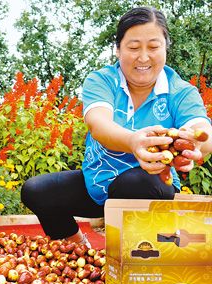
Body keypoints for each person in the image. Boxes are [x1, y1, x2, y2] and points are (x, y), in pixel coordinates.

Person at [21, 7, 212, 247]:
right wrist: (133, 142)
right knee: (36, 190)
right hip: (99, 184)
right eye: (133, 48)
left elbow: (201, 128)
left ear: (166, 48)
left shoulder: (180, 91)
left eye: (153, 47)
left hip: (150, 187)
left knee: (134, 183)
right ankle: (76, 244)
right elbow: (99, 124)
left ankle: (135, 254)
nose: (143, 57)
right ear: (118, 49)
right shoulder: (102, 80)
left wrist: (196, 144)